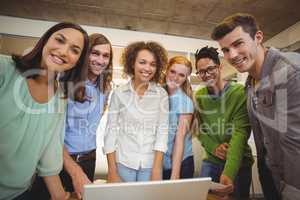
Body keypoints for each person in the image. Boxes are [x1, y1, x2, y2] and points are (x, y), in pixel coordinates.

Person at [212, 12, 300, 200]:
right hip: (270, 177)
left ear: (258, 37)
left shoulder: (291, 73)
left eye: (238, 44)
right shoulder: (250, 84)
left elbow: (295, 144)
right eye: (226, 50)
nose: (232, 55)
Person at [0, 22, 89, 200]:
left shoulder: (60, 97)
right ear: (45, 40)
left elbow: (49, 150)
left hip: (20, 192)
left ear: (77, 61)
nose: (63, 51)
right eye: (60, 40)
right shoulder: (4, 68)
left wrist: (62, 196)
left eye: (74, 50)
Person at [30, 33, 113, 199]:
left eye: (106, 56)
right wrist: (73, 169)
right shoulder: (62, 82)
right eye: (95, 53)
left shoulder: (106, 88)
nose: (100, 60)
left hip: (89, 158)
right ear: (84, 54)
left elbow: (96, 118)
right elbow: (49, 132)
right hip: (58, 159)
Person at [104, 41, 169, 182]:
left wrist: (157, 170)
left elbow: (162, 133)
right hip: (123, 163)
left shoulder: (161, 94)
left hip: (150, 165)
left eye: (153, 64)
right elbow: (110, 132)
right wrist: (112, 171)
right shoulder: (119, 94)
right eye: (142, 62)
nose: (147, 68)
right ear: (132, 63)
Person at [194, 46, 253, 199]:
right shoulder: (199, 96)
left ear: (219, 66)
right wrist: (214, 148)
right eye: (201, 72)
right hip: (211, 161)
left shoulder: (239, 93)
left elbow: (240, 133)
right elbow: (198, 129)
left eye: (210, 69)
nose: (206, 75)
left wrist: (229, 171)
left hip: (237, 161)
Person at [161, 56, 194, 180]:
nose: (175, 78)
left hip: (180, 164)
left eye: (181, 75)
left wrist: (175, 174)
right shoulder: (159, 94)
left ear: (186, 78)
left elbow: (179, 140)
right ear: (166, 70)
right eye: (173, 71)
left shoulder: (184, 102)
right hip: (162, 162)